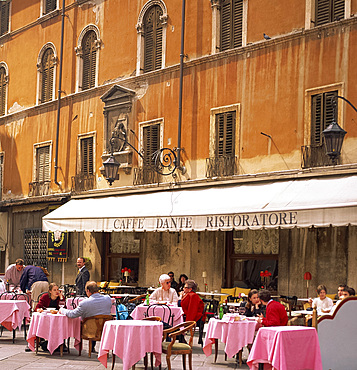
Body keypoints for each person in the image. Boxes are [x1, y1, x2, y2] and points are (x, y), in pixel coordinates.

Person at [60, 281, 112, 353]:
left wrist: (62, 310)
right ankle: (93, 348)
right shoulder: (108, 299)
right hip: (104, 329)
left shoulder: (85, 302)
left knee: (86, 321)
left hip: (89, 330)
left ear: (88, 291)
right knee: (95, 319)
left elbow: (72, 315)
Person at [179, 279, 206, 345]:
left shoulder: (192, 296)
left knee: (175, 318)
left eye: (185, 287)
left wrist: (189, 322)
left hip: (196, 317)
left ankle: (180, 337)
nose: (183, 289)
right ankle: (180, 338)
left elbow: (192, 310)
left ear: (190, 289)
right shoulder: (189, 295)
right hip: (191, 314)